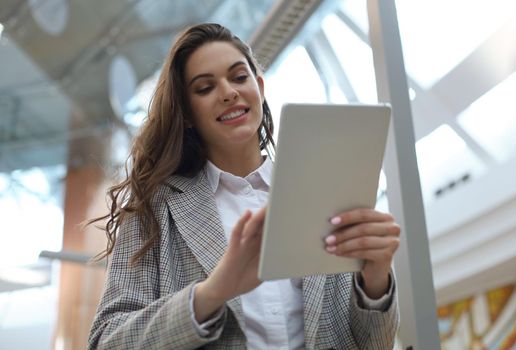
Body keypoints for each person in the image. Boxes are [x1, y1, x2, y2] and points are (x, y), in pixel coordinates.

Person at [87, 23, 401, 350]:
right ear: (188, 114)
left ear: (260, 88)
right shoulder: (154, 210)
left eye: (239, 77)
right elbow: (105, 342)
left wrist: (376, 279)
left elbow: (375, 344)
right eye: (205, 87)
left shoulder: (323, 190)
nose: (228, 92)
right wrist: (213, 292)